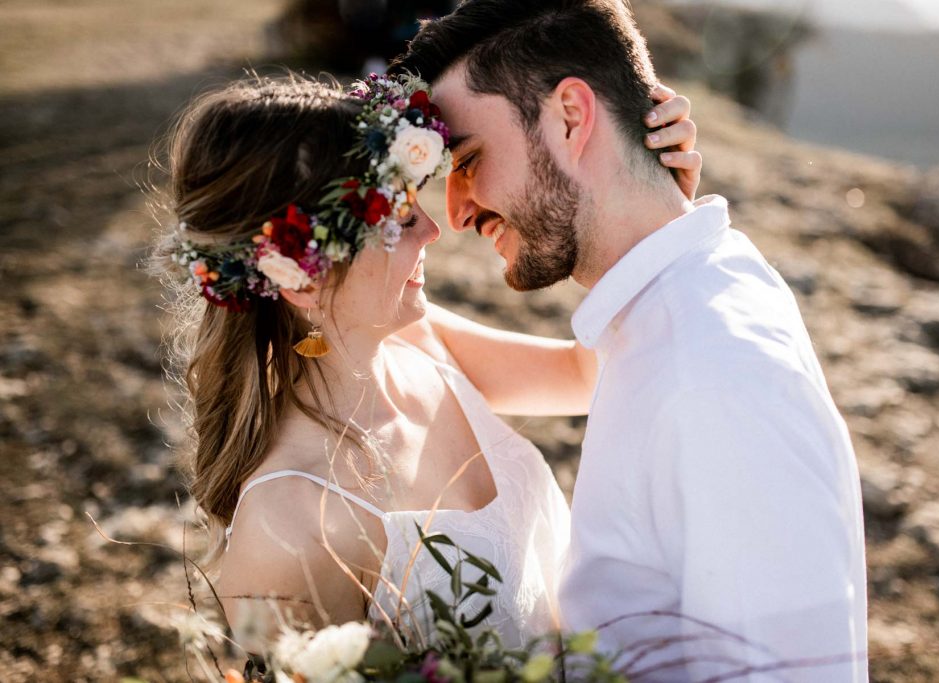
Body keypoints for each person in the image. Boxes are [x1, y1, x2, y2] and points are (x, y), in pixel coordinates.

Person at [391, 0, 869, 680]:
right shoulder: (673, 304)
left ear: (571, 117)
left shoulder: (712, 374)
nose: (458, 212)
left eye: (469, 159)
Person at [152, 71, 699, 654]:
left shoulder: (423, 340)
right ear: (302, 277)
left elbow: (587, 376)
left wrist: (652, 211)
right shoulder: (286, 526)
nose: (435, 231)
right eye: (399, 218)